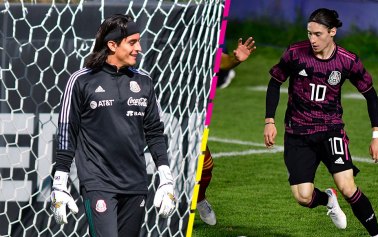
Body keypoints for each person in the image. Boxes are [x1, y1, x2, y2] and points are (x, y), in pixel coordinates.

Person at [50, 14, 176, 237]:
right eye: (132, 42)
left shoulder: (144, 80)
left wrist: (166, 178)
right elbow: (67, 132)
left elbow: (155, 132)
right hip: (98, 182)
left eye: (139, 41)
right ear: (112, 45)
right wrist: (60, 182)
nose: (138, 48)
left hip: (136, 184)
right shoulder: (81, 80)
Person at [264, 8, 378, 237]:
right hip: (298, 133)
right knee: (303, 197)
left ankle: (377, 235)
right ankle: (328, 199)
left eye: (318, 34)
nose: (312, 39)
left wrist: (376, 135)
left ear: (332, 32)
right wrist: (270, 120)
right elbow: (274, 82)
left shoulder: (347, 61)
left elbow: (370, 93)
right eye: (309, 33)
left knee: (348, 187)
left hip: (331, 130)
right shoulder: (295, 54)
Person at [197, 37, 256, 225]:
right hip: (152, 106)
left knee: (205, 166)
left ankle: (199, 199)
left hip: (187, 111)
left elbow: (220, 60)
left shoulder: (204, 31)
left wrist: (235, 59)